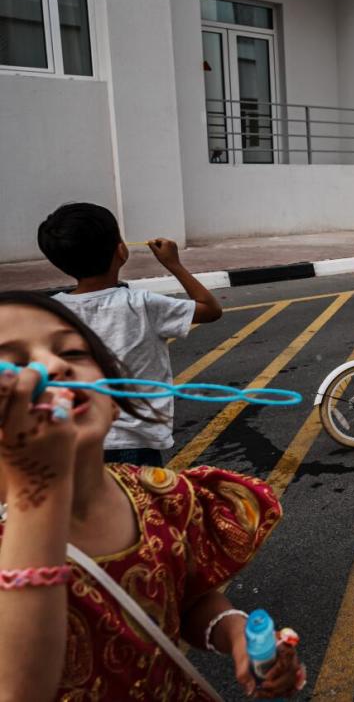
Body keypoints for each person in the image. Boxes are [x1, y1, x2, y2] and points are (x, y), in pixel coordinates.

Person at [0, 291, 304, 699]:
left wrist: (236, 635)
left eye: (72, 352)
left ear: (114, 404)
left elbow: (188, 602)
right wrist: (37, 487)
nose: (53, 366)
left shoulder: (164, 494)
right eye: (15, 366)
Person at [37, 203, 222, 467]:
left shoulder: (50, 311)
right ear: (120, 250)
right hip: (131, 443)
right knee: (136, 507)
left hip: (71, 440)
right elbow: (211, 309)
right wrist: (174, 264)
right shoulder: (142, 304)